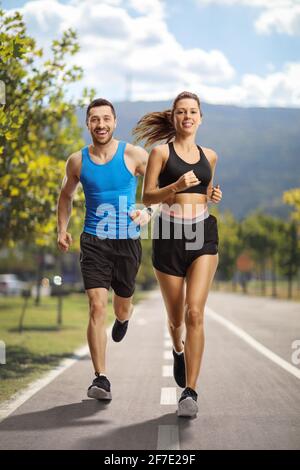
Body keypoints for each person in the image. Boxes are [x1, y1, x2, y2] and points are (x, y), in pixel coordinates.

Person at [133, 91, 222, 417]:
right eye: (181, 112)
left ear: (200, 118)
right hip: (168, 237)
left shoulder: (210, 156)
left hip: (202, 236)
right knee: (176, 320)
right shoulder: (160, 152)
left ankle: (191, 392)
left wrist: (213, 195)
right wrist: (176, 187)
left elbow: (207, 193)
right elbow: (149, 197)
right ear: (174, 118)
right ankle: (177, 348)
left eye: (192, 111)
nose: (187, 116)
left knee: (194, 313)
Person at [57, 98, 150, 401]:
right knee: (97, 306)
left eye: (105, 119)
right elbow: (65, 196)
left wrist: (147, 212)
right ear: (88, 124)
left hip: (127, 240)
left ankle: (123, 318)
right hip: (94, 240)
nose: (100, 124)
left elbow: (158, 188)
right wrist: (62, 229)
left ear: (114, 121)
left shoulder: (134, 154)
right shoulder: (77, 161)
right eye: (94, 119)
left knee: (121, 305)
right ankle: (101, 379)